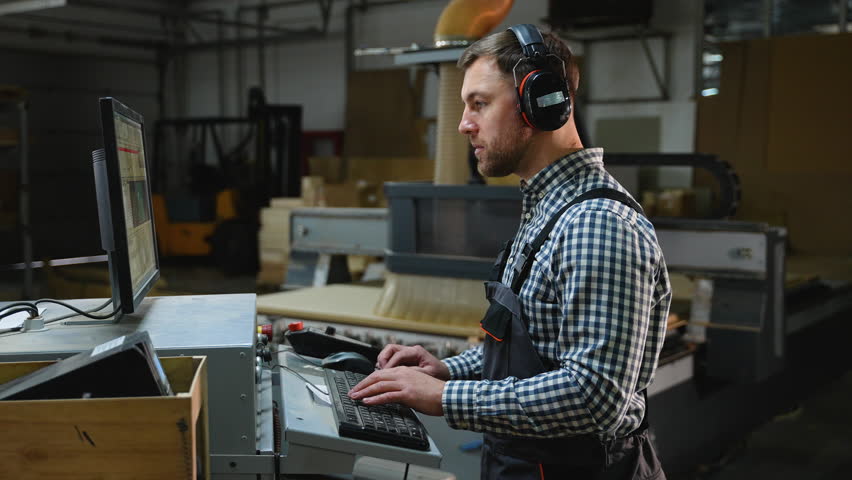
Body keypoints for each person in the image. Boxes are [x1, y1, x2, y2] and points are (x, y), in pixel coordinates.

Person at [349, 24, 671, 480]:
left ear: (539, 103)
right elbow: (541, 350)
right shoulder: (545, 209)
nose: (464, 124)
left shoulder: (595, 224)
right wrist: (448, 369)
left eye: (479, 104)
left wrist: (444, 399)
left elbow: (593, 395)